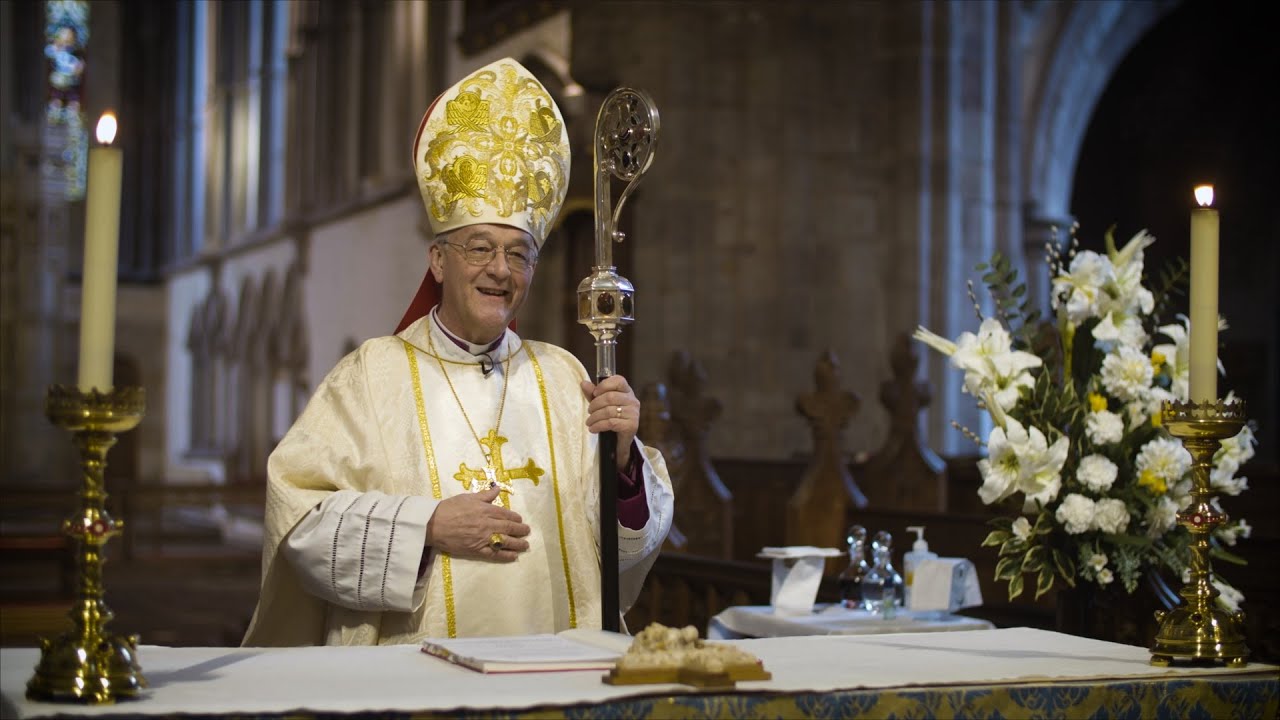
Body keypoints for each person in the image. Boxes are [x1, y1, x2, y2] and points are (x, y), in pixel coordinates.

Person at [242, 58, 673, 646]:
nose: (500, 269)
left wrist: (623, 465)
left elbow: (621, 551)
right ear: (438, 261)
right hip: (417, 679)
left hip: (555, 666)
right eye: (480, 248)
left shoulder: (563, 374)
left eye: (518, 253)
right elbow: (297, 522)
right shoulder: (372, 376)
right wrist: (425, 528)